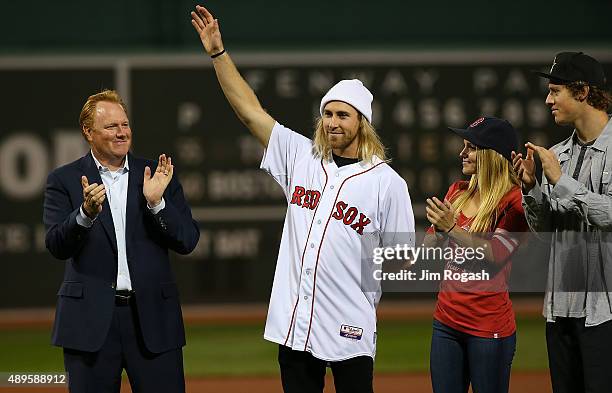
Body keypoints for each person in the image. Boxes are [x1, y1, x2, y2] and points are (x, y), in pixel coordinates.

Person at [191, 5, 415, 393]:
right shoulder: (301, 157)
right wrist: (218, 54)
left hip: (351, 327)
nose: (332, 122)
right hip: (297, 325)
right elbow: (250, 112)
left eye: (342, 115)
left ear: (362, 121)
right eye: (327, 113)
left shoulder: (387, 184)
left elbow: (401, 259)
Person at [43, 89, 200, 393]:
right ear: (88, 132)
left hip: (153, 318)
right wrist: (85, 215)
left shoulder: (156, 174)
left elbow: (188, 240)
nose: (121, 133)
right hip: (90, 323)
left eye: (125, 124)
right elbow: (56, 245)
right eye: (111, 126)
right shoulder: (63, 180)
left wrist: (157, 204)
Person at [512, 52, 612, 393]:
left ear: (582, 92)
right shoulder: (560, 154)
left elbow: (610, 216)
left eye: (556, 91)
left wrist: (560, 181)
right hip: (562, 309)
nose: (548, 99)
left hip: (606, 312)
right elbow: (546, 232)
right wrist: (532, 189)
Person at [425, 117, 528, 393]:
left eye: (470, 147)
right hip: (446, 322)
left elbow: (495, 255)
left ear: (490, 155)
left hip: (488, 329)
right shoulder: (457, 192)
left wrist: (452, 228)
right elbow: (429, 249)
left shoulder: (515, 202)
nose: (462, 154)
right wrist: (437, 234)